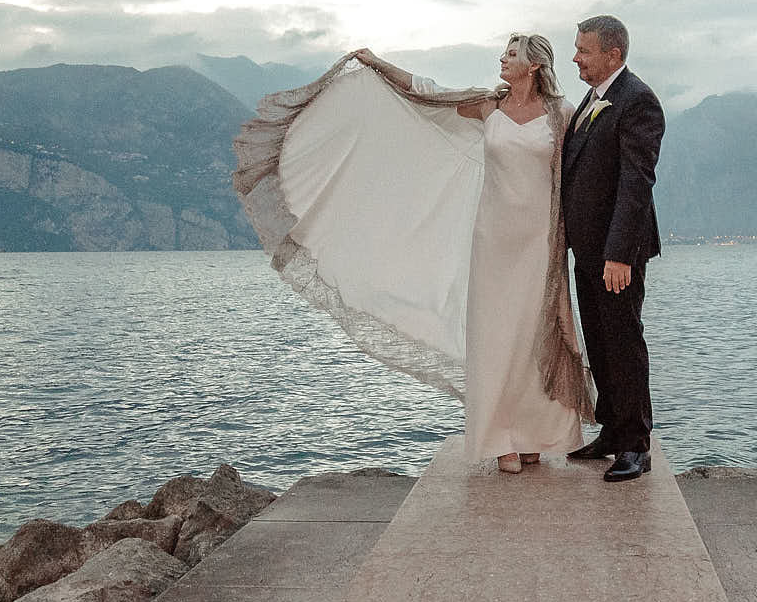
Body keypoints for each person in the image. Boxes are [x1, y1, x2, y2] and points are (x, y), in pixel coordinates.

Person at [229, 36, 591, 472]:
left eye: (510, 54)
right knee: (494, 337)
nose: (501, 58)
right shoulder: (486, 106)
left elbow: (579, 177)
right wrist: (378, 64)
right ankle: (500, 440)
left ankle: (533, 432)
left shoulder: (563, 115)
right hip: (492, 242)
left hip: (539, 245)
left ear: (533, 66)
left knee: (532, 336)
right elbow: (426, 93)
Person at [557, 14, 664, 482]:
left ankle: (636, 445)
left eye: (583, 50)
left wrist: (619, 254)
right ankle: (612, 430)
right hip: (587, 249)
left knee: (623, 342)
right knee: (599, 342)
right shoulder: (594, 99)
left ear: (612, 54)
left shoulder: (637, 101)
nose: (575, 57)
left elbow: (635, 183)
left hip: (617, 253)